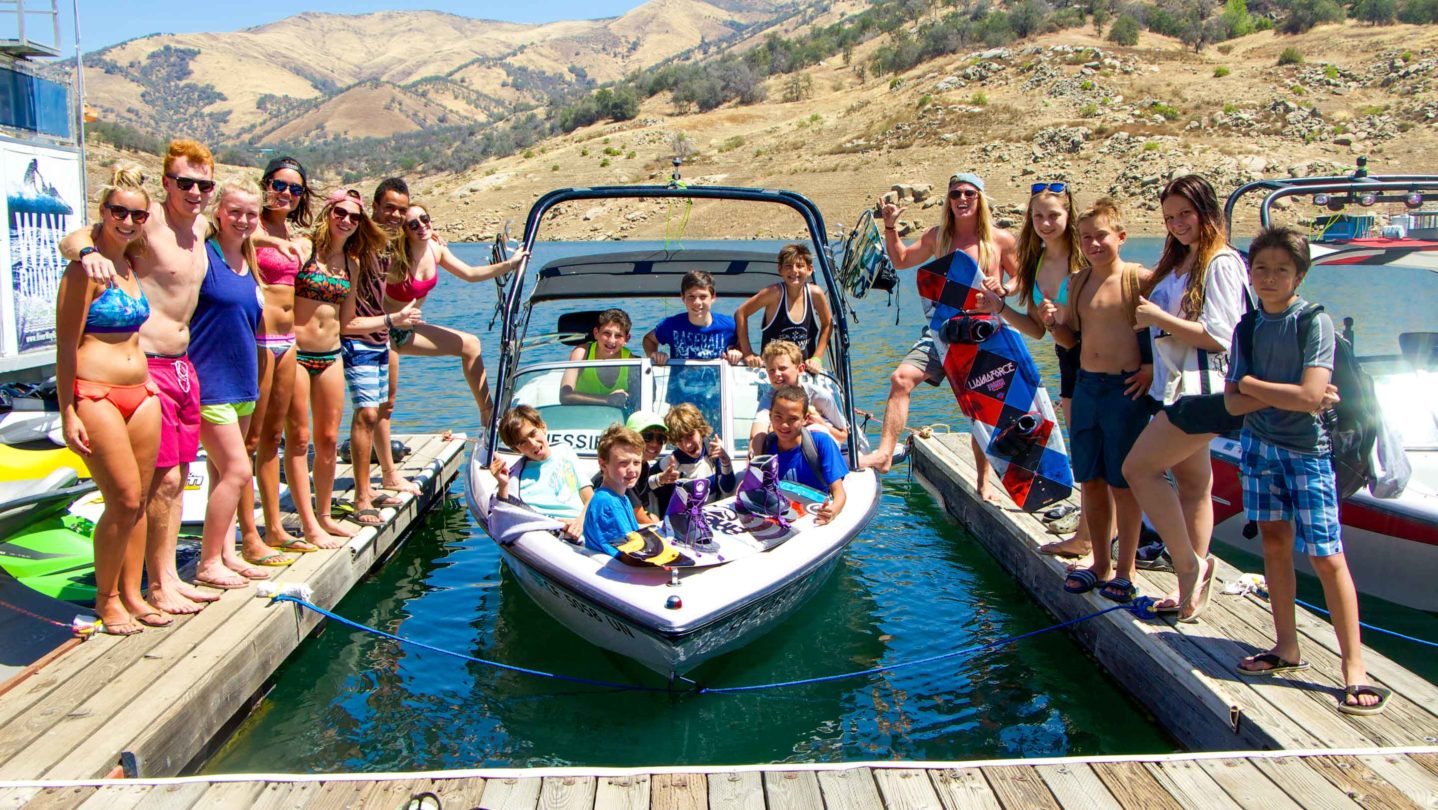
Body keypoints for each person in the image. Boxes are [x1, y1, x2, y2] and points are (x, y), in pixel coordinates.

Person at [1223, 227, 1384, 714]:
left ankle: (1353, 666)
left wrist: (1253, 383)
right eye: (1261, 269)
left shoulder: (1312, 320)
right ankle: (1286, 646)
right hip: (1259, 446)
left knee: (1326, 555)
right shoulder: (1247, 326)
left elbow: (1313, 396)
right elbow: (1232, 403)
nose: (1269, 278)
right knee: (1274, 540)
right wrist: (1281, 393)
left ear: (1300, 275)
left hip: (1307, 453)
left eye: (1281, 270)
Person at [60, 140, 219, 616]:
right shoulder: (144, 225)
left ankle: (160, 580)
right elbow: (74, 240)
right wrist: (87, 249)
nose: (194, 192)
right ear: (166, 183)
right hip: (132, 372)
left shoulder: (200, 227)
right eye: (185, 182)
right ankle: (134, 590)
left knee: (173, 480)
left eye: (203, 184)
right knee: (139, 493)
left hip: (175, 370)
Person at [1122, 175, 1250, 618]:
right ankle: (1189, 589)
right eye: (1170, 217)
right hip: (1175, 389)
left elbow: (1220, 336)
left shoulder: (1220, 263)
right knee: (1196, 485)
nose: (1177, 224)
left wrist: (1158, 316)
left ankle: (1189, 564)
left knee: (1139, 469)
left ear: (1206, 211)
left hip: (1204, 391)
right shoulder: (1182, 261)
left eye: (1185, 214)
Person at [857, 172, 1019, 498]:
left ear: (980, 198)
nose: (962, 199)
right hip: (942, 331)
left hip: (985, 332)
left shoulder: (1000, 240)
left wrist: (1004, 289)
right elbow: (902, 261)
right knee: (901, 379)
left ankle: (984, 480)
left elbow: (1021, 278)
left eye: (969, 194)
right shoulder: (938, 237)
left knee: (981, 410)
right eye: (955, 193)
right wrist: (889, 227)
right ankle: (886, 453)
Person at [55, 165, 163, 633]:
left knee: (139, 500)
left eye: (137, 214)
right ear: (103, 212)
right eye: (118, 211)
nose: (128, 220)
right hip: (95, 394)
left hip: (141, 394)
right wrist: (66, 411)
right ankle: (107, 598)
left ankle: (134, 593)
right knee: (119, 497)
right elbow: (65, 347)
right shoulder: (86, 270)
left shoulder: (130, 264)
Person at [1030, 200, 1152, 604]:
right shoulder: (1079, 282)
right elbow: (1070, 340)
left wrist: (1150, 369)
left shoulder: (1139, 279)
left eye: (1101, 235)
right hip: (1086, 388)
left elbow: (1162, 334)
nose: (1094, 243)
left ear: (1121, 236)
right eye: (1087, 237)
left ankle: (1126, 568)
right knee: (1091, 479)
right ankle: (1099, 563)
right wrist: (1052, 323)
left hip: (1124, 391)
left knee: (1122, 481)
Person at [989, 182, 1103, 559]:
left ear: (1068, 215)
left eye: (1053, 215)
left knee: (1103, 455)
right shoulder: (1035, 262)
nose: (1045, 223)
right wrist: (999, 308)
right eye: (1037, 216)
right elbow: (1038, 329)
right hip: (1069, 361)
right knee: (1086, 453)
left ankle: (1095, 536)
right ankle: (1089, 535)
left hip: (1102, 357)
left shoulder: (1085, 257)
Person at [189, 178, 270, 589]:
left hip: (242, 383)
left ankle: (226, 552)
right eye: (235, 211)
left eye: (251, 214)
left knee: (222, 472)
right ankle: (207, 563)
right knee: (238, 470)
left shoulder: (248, 260)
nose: (243, 220)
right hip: (210, 382)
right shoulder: (203, 256)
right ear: (218, 211)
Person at [238, 156, 315, 556]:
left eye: (295, 189)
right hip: (258, 338)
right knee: (249, 441)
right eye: (279, 185)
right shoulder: (248, 223)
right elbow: (231, 241)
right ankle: (248, 533)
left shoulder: (296, 233)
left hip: (289, 341)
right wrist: (273, 241)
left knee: (275, 438)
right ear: (265, 183)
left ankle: (274, 529)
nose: (285, 193)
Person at [386, 202, 526, 424]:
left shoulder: (436, 250)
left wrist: (510, 264)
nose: (422, 226)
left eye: (425, 219)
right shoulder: (393, 257)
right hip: (382, 332)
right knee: (385, 403)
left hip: (407, 330)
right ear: (404, 230)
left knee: (470, 345)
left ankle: (488, 417)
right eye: (413, 224)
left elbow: (470, 273)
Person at [340, 188, 418, 527]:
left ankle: (380, 481)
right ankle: (361, 497)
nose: (396, 215)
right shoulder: (359, 241)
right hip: (357, 336)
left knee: (381, 409)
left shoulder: (390, 247)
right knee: (367, 414)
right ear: (374, 207)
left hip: (380, 337)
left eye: (401, 210)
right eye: (389, 208)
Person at [642, 269, 741, 431]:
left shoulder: (729, 325)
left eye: (703, 296)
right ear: (683, 298)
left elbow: (741, 346)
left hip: (715, 399)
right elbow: (649, 340)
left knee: (713, 444)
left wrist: (736, 352)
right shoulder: (671, 325)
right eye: (691, 297)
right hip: (680, 399)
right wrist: (654, 354)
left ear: (713, 297)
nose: (697, 302)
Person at [489, 405, 592, 539]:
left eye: (533, 434)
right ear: (516, 449)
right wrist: (503, 485)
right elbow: (501, 524)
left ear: (543, 427)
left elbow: (590, 497)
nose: (532, 443)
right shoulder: (515, 479)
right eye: (522, 442)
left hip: (586, 525)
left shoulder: (565, 451)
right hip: (556, 537)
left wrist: (580, 522)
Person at [735, 243, 833, 372]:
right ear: (780, 269)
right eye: (788, 266)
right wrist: (748, 352)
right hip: (773, 372)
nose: (794, 271)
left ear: (809, 269)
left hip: (803, 371)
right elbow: (741, 313)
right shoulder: (774, 293)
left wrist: (817, 358)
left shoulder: (815, 294)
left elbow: (828, 324)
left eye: (800, 266)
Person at [766, 385, 848, 526]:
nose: (784, 425)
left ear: (805, 419)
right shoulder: (767, 446)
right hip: (780, 514)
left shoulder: (821, 442)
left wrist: (832, 511)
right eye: (778, 417)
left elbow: (839, 493)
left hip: (812, 517)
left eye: (793, 419)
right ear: (770, 416)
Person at [748, 339, 848, 453]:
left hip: (819, 453)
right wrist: (755, 457)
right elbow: (757, 435)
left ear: (800, 369)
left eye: (782, 368)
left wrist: (822, 423)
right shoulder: (768, 399)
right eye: (771, 370)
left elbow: (843, 436)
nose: (776, 374)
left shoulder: (820, 397)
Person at [591, 410, 676, 524]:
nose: (655, 443)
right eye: (647, 436)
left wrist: (660, 479)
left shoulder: (643, 466)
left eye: (661, 439)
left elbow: (640, 492)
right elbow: (637, 516)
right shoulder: (623, 477)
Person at [657, 403, 736, 508]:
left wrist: (725, 461)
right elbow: (643, 488)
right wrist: (659, 479)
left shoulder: (712, 450)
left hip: (711, 516)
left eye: (690, 435)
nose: (687, 445)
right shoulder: (670, 463)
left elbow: (728, 489)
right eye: (679, 440)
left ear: (700, 429)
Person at [581, 425, 647, 552]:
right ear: (603, 464)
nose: (632, 470)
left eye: (637, 462)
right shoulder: (609, 504)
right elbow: (632, 554)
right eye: (623, 463)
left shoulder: (621, 498)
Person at [560, 308, 635, 407]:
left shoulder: (631, 360)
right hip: (581, 412)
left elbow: (639, 399)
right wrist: (607, 400)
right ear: (596, 333)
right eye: (606, 333)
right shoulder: (581, 354)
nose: (611, 341)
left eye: (618, 335)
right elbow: (565, 395)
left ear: (627, 339)